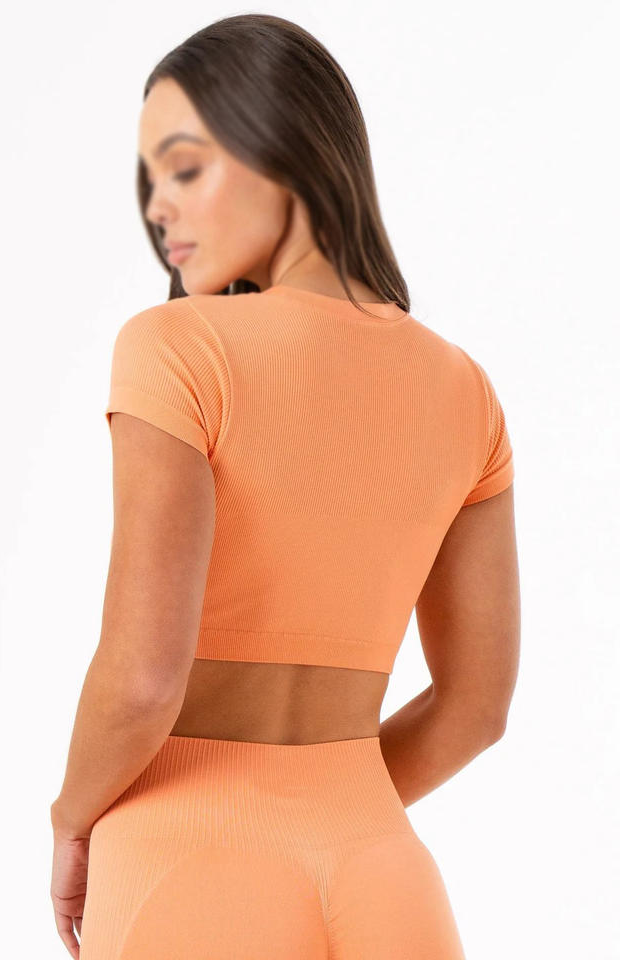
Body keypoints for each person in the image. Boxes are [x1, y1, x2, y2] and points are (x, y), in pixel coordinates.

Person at [50, 13, 520, 960]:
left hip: (182, 866)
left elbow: (143, 679)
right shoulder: (464, 389)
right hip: (386, 874)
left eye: (186, 169)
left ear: (282, 149)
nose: (159, 208)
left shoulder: (178, 349)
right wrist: (328, 796)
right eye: (150, 182)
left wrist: (71, 820)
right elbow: (476, 707)